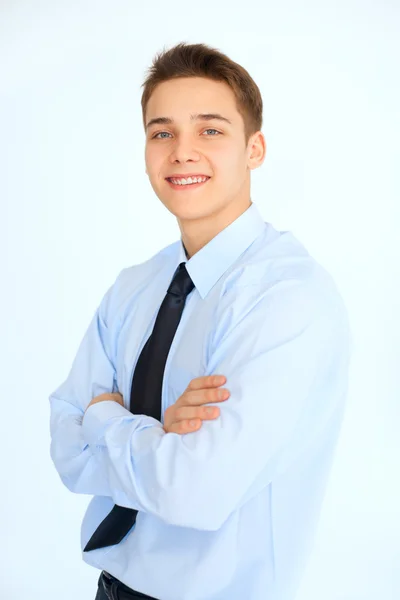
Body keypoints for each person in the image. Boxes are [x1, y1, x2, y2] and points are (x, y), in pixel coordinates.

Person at [49, 42, 352, 600]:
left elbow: (193, 491)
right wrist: (160, 432)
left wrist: (111, 418)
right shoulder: (134, 285)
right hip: (110, 588)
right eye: (161, 132)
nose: (182, 152)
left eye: (210, 130)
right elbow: (66, 450)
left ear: (254, 148)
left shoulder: (288, 298)